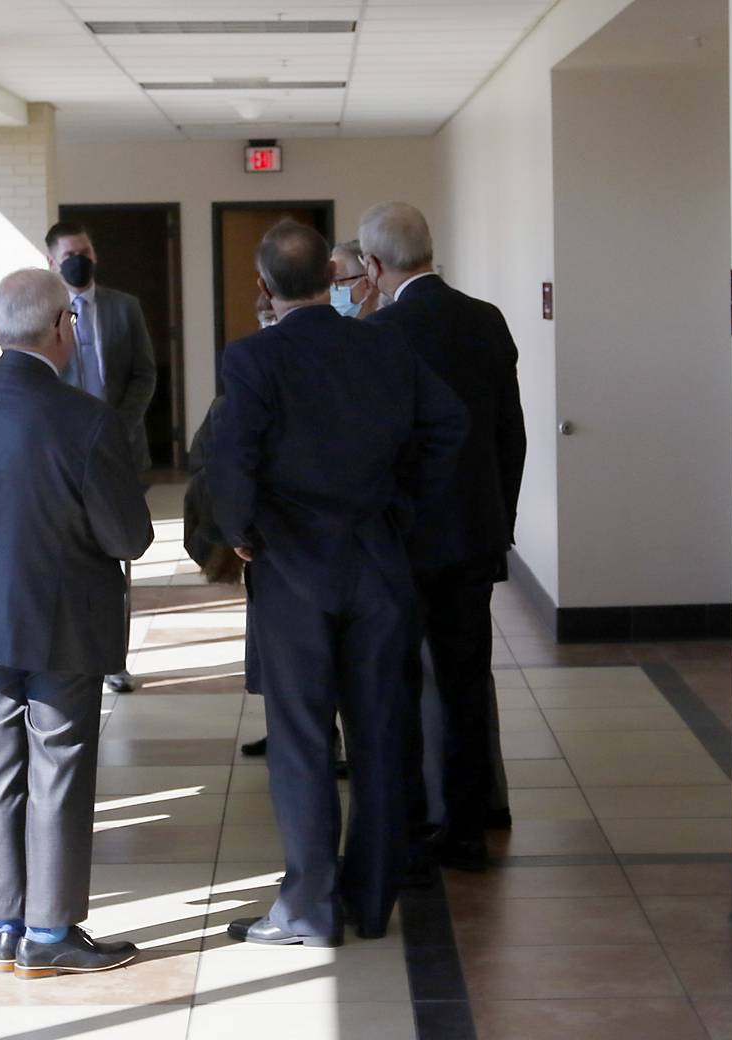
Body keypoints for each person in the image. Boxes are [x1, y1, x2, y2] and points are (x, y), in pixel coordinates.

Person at [210, 221, 467, 946]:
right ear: (333, 275)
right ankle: (372, 897)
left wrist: (241, 533)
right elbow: (450, 424)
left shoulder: (252, 358)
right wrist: (401, 504)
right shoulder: (385, 342)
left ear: (263, 288)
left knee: (301, 740)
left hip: (293, 571)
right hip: (379, 565)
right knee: (383, 736)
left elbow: (232, 461)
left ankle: (310, 908)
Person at [0, 267, 154, 978]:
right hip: (60, 617)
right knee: (60, 765)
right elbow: (127, 537)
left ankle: (8, 924)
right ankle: (50, 929)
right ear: (58, 328)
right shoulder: (86, 418)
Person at [360, 201, 528, 873]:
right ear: (432, 250)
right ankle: (466, 829)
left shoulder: (382, 334)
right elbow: (508, 435)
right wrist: (500, 522)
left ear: (372, 266)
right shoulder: (485, 321)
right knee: (463, 682)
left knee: (398, 682)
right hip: (473, 536)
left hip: (401, 543)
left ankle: (410, 823)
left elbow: (376, 447)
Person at [45, 220, 157, 695]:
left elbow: (143, 374)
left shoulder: (123, 307)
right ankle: (72, 654)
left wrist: (118, 424)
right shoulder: (44, 311)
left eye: (85, 250)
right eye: (70, 253)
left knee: (119, 557)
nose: (79, 259)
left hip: (121, 448)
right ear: (51, 260)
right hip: (64, 453)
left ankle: (116, 659)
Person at [329, 240, 381, 320]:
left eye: (336, 281)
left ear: (367, 284)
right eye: (327, 282)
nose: (329, 291)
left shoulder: (391, 328)